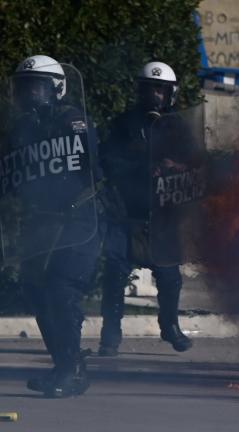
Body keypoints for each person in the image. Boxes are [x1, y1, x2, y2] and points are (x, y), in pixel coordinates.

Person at [5, 55, 104, 397]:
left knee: (62, 290)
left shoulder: (73, 121)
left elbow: (92, 167)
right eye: (24, 87)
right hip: (42, 223)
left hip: (80, 220)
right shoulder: (22, 129)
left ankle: (73, 370)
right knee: (35, 290)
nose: (30, 94)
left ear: (57, 88)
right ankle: (63, 364)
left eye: (37, 86)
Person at [98, 61, 193, 356]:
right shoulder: (124, 124)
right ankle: (110, 335)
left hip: (163, 214)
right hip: (128, 212)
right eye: (150, 89)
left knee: (169, 277)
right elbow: (109, 162)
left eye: (161, 90)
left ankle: (170, 326)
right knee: (114, 275)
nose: (156, 96)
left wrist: (176, 167)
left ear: (170, 94)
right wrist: (143, 168)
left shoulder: (179, 127)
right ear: (140, 91)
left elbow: (195, 163)